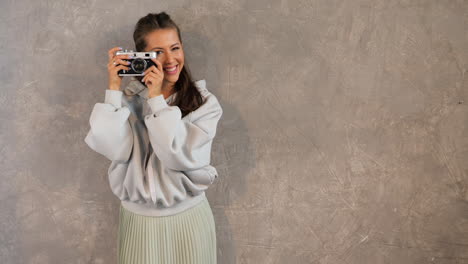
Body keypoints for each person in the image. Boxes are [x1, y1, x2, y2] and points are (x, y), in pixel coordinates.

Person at [84, 12, 222, 264]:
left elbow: (178, 156)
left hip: (188, 221)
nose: (170, 60)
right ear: (142, 57)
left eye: (175, 48)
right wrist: (113, 89)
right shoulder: (128, 101)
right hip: (140, 223)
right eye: (158, 52)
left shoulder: (205, 104)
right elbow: (111, 148)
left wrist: (157, 100)